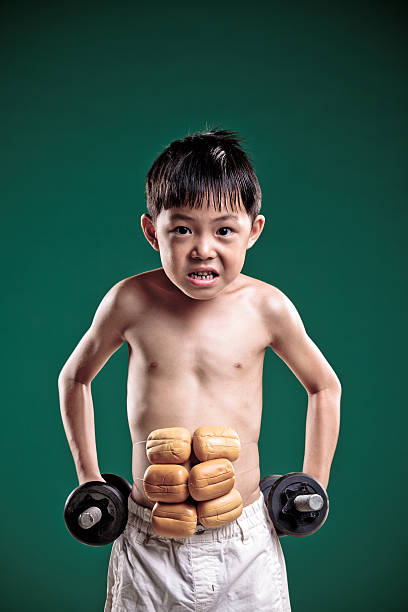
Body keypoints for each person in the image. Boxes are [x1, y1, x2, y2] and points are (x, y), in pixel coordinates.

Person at [58, 128, 341, 611]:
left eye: (224, 230)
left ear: (254, 230)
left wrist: (311, 486)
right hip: (150, 537)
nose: (203, 248)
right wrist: (90, 479)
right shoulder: (129, 300)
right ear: (153, 232)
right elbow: (75, 378)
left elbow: (324, 387)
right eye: (183, 229)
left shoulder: (266, 306)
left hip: (244, 537)